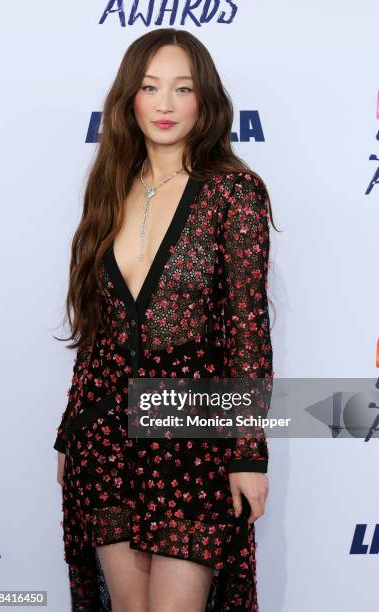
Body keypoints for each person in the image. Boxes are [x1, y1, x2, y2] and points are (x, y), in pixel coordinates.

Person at [53, 27, 276, 612]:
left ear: (205, 101)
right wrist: (67, 431)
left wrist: (249, 452)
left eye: (183, 88)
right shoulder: (110, 189)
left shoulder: (234, 193)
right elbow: (98, 336)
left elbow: (247, 331)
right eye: (151, 88)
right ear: (130, 97)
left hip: (192, 440)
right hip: (102, 441)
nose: (166, 104)